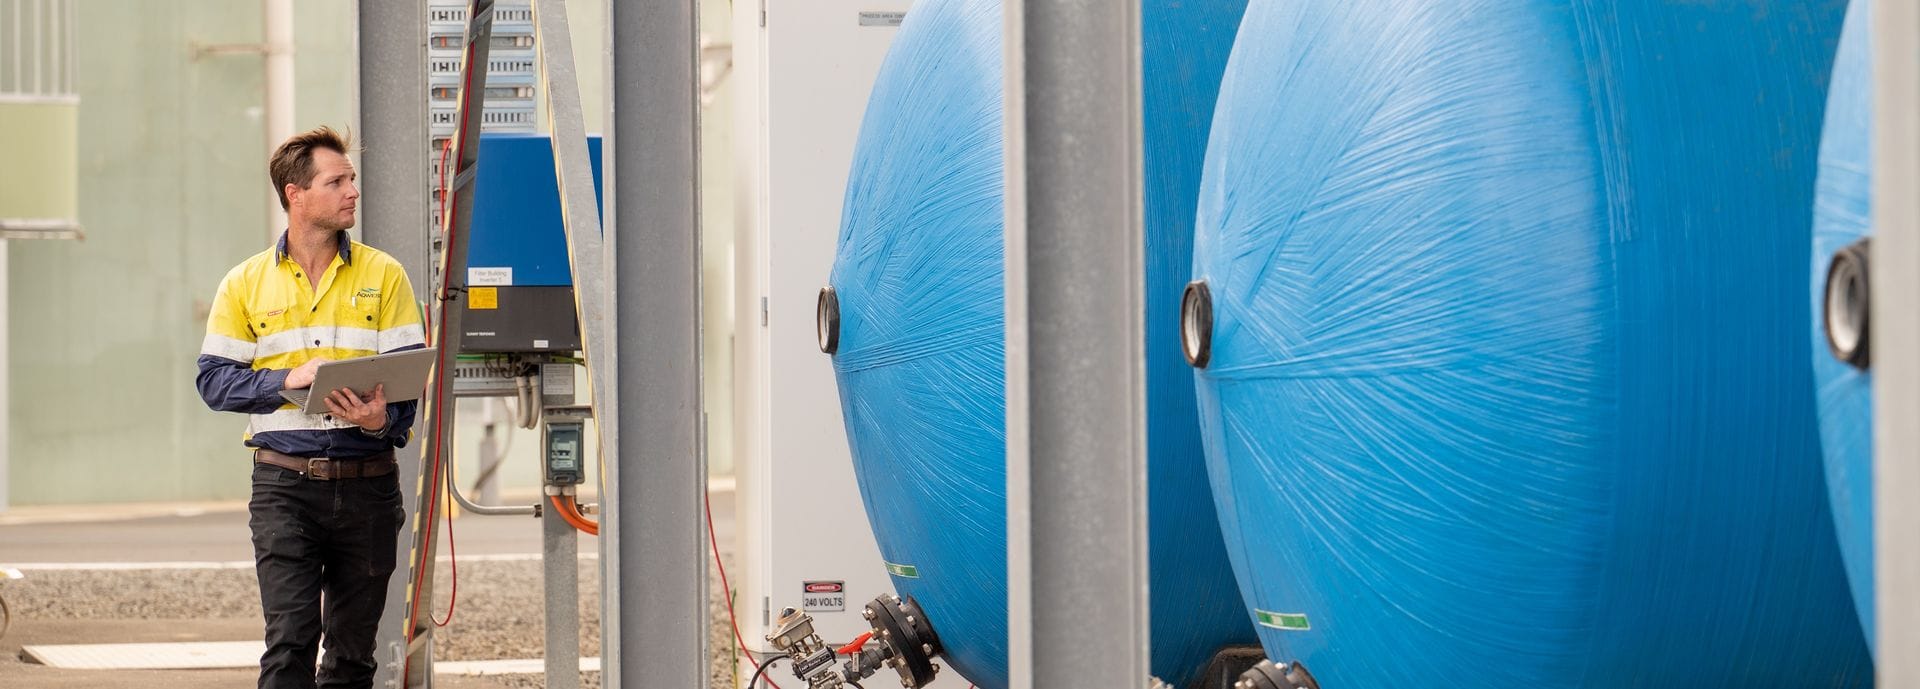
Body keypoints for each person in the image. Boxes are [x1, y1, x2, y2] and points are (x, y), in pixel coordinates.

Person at [196, 126, 426, 689]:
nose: (353, 191)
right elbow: (214, 382)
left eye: (352, 179)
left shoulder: (385, 275)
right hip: (284, 488)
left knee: (352, 657)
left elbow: (408, 381)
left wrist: (381, 421)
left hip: (369, 486)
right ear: (295, 194)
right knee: (289, 645)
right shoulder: (244, 283)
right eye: (337, 181)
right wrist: (286, 380)